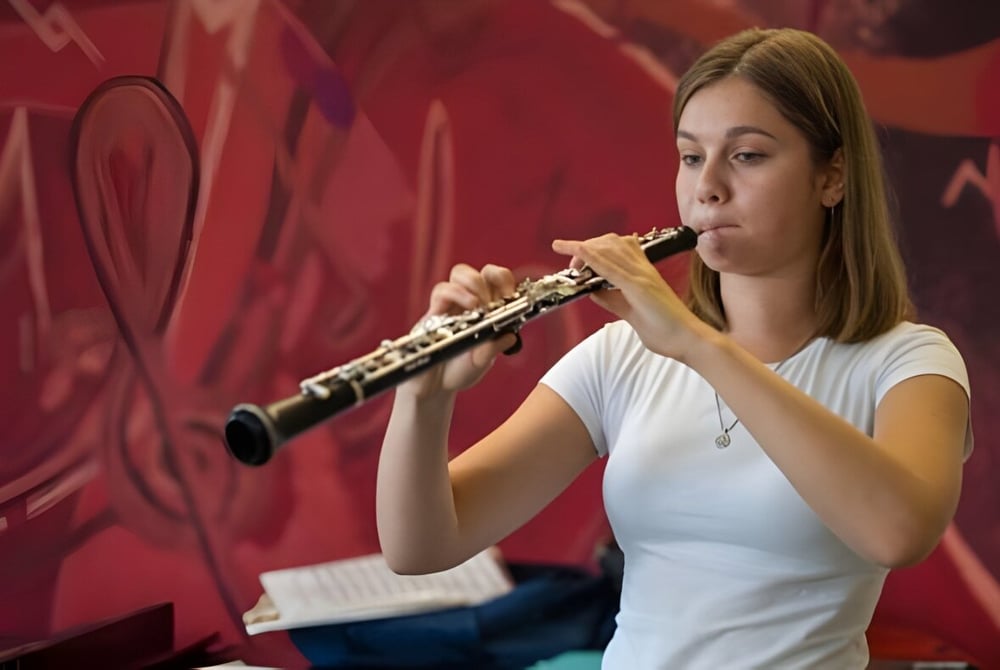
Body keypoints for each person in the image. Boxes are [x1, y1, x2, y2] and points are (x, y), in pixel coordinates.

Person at [375, 27, 973, 669]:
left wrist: (696, 343)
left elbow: (899, 531)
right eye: (691, 157)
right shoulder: (619, 358)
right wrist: (423, 397)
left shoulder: (908, 363)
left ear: (832, 177)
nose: (707, 188)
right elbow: (422, 546)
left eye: (747, 155)